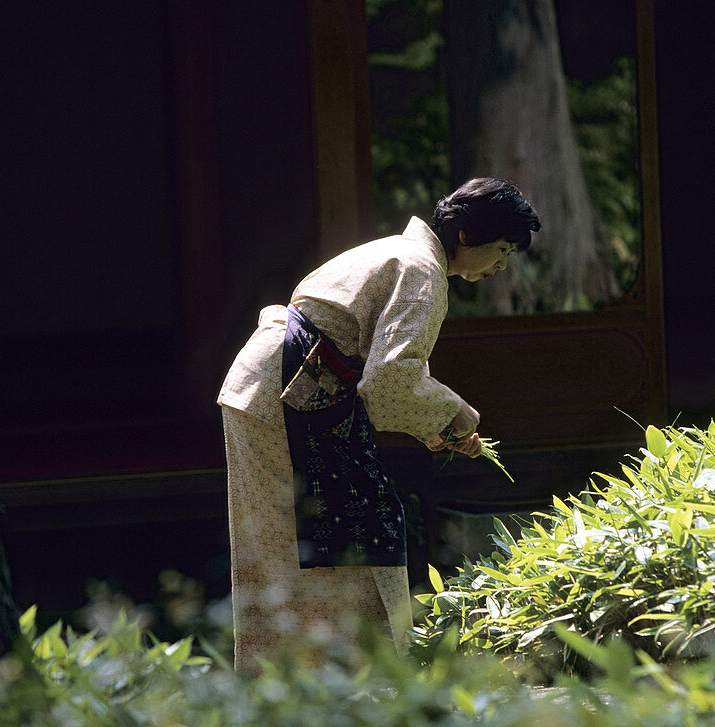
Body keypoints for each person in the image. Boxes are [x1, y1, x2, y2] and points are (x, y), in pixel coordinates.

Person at [217, 177, 540, 673]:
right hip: (282, 394)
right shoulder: (421, 271)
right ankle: (334, 677)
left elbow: (389, 378)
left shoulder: (406, 256)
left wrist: (437, 428)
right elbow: (390, 379)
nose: (501, 266)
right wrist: (455, 410)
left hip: (282, 390)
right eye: (500, 249)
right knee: (317, 536)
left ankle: (316, 678)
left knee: (312, 535)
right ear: (465, 238)